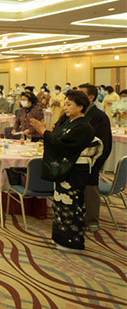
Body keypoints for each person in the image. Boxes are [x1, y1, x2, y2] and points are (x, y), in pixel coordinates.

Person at [30, 91, 96, 253]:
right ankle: (60, 237)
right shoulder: (69, 121)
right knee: (60, 204)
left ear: (81, 107)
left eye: (69, 105)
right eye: (65, 104)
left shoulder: (83, 126)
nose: (65, 108)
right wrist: (47, 132)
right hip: (66, 169)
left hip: (75, 170)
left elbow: (62, 145)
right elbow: (57, 136)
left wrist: (43, 132)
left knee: (72, 204)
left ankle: (72, 242)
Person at [78, 84, 113, 232]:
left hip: (91, 162)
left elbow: (104, 145)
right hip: (78, 160)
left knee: (90, 189)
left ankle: (91, 221)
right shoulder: (79, 113)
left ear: (91, 98)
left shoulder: (99, 116)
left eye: (80, 95)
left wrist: (95, 164)